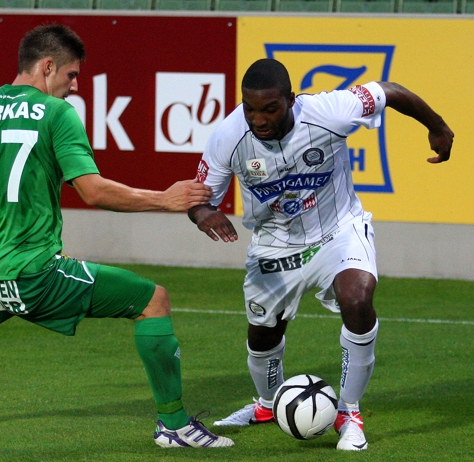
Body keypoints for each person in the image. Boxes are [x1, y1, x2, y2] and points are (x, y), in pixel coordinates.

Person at [0, 23, 234, 449]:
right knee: (152, 300)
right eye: (71, 75)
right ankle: (175, 426)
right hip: (34, 274)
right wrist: (165, 200)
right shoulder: (56, 114)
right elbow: (92, 191)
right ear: (47, 65)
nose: (74, 87)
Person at [188, 58, 453, 451]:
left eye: (270, 108)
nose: (258, 119)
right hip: (274, 242)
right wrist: (205, 213)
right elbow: (199, 197)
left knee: (358, 298)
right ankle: (266, 405)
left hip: (338, 230)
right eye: (250, 108)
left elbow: (390, 91)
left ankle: (349, 412)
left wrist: (438, 126)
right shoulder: (228, 135)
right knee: (263, 334)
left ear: (291, 100)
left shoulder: (328, 111)